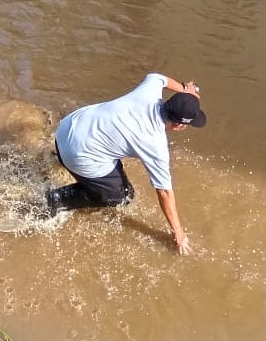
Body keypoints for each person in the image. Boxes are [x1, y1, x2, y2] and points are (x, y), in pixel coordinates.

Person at [47, 73, 206, 254]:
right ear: (179, 125)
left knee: (106, 154)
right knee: (122, 195)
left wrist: (185, 90)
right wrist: (178, 232)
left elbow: (158, 77)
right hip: (77, 153)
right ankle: (57, 199)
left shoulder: (150, 92)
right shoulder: (155, 144)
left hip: (67, 128)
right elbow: (164, 192)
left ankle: (62, 160)